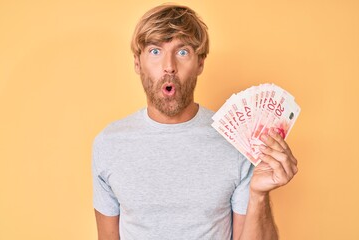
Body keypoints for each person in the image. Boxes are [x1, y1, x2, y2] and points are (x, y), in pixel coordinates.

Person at [92, 4, 298, 240]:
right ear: (138, 64)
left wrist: (259, 196)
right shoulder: (108, 144)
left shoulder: (235, 140)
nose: (169, 66)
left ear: (200, 63)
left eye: (183, 52)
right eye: (155, 51)